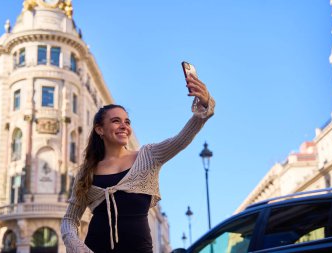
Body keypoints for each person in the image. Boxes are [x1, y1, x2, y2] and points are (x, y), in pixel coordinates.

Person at [61, 73, 216, 253]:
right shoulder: (87, 171)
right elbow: (69, 220)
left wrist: (203, 108)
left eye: (127, 122)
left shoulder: (148, 155)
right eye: (116, 121)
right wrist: (78, 247)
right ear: (100, 129)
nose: (124, 126)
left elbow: (181, 139)